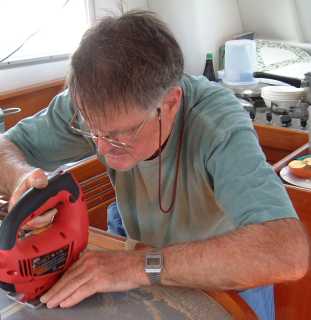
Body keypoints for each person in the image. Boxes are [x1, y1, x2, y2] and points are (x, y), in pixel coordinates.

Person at [0, 11, 309, 320]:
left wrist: (141, 265)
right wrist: (22, 178)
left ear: (170, 104)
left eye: (119, 135)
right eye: (92, 130)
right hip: (137, 252)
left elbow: (286, 252)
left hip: (225, 276)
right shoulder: (93, 103)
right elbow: (5, 147)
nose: (102, 147)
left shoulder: (219, 126)